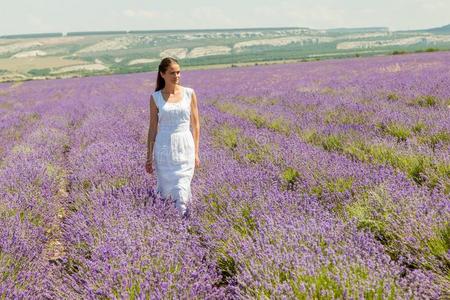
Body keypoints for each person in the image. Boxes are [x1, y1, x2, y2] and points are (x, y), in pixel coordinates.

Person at [145, 57, 200, 217]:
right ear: (162, 74)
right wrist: (148, 156)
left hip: (185, 147)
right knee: (167, 189)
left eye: (178, 72)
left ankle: (183, 222)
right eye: (172, 73)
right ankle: (169, 223)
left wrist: (196, 153)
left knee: (182, 187)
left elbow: (196, 125)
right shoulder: (155, 98)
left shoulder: (189, 93)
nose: (176, 76)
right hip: (164, 149)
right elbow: (152, 129)